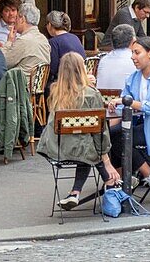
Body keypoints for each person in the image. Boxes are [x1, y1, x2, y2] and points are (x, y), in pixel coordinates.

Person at [37, 52, 121, 209]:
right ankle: (111, 182)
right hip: (82, 150)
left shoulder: (55, 92)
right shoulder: (90, 93)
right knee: (92, 143)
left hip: (56, 148)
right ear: (82, 69)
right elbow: (100, 131)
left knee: (85, 143)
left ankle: (75, 192)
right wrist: (107, 161)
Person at [108, 36, 150, 202]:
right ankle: (121, 180)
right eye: (132, 52)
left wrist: (127, 102)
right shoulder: (133, 77)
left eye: (137, 52)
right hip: (141, 125)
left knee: (121, 137)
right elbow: (123, 102)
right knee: (110, 136)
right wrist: (113, 110)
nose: (133, 57)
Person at [0, 3, 53, 76]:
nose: (15, 21)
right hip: (38, 85)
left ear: (22, 19)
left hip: (19, 86)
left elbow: (3, 62)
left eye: (17, 18)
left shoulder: (23, 40)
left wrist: (9, 42)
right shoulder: (44, 40)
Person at [46, 11, 85, 83]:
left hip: (65, 81)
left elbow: (53, 68)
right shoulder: (75, 37)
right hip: (80, 78)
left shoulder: (53, 42)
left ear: (50, 25)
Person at [96, 24, 136, 91]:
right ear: (133, 41)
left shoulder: (104, 60)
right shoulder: (135, 60)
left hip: (104, 99)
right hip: (126, 100)